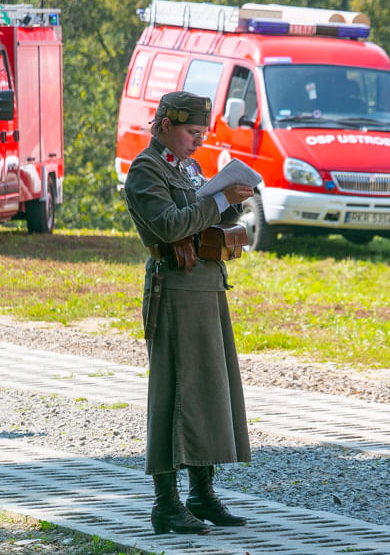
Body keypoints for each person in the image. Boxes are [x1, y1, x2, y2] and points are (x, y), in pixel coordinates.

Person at [124, 91, 255, 535]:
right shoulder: (146, 169)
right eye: (191, 132)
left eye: (202, 133)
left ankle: (202, 494)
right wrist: (217, 203)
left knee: (209, 391)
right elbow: (169, 225)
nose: (198, 141)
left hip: (206, 285)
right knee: (174, 393)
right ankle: (166, 504)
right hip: (175, 289)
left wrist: (232, 198)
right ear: (164, 124)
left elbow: (203, 220)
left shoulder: (190, 167)